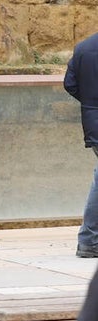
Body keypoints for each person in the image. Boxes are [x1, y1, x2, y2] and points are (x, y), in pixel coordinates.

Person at [64, 34, 98, 257]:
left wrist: (91, 106)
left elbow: (70, 84)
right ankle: (89, 239)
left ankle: (89, 239)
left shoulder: (83, 47)